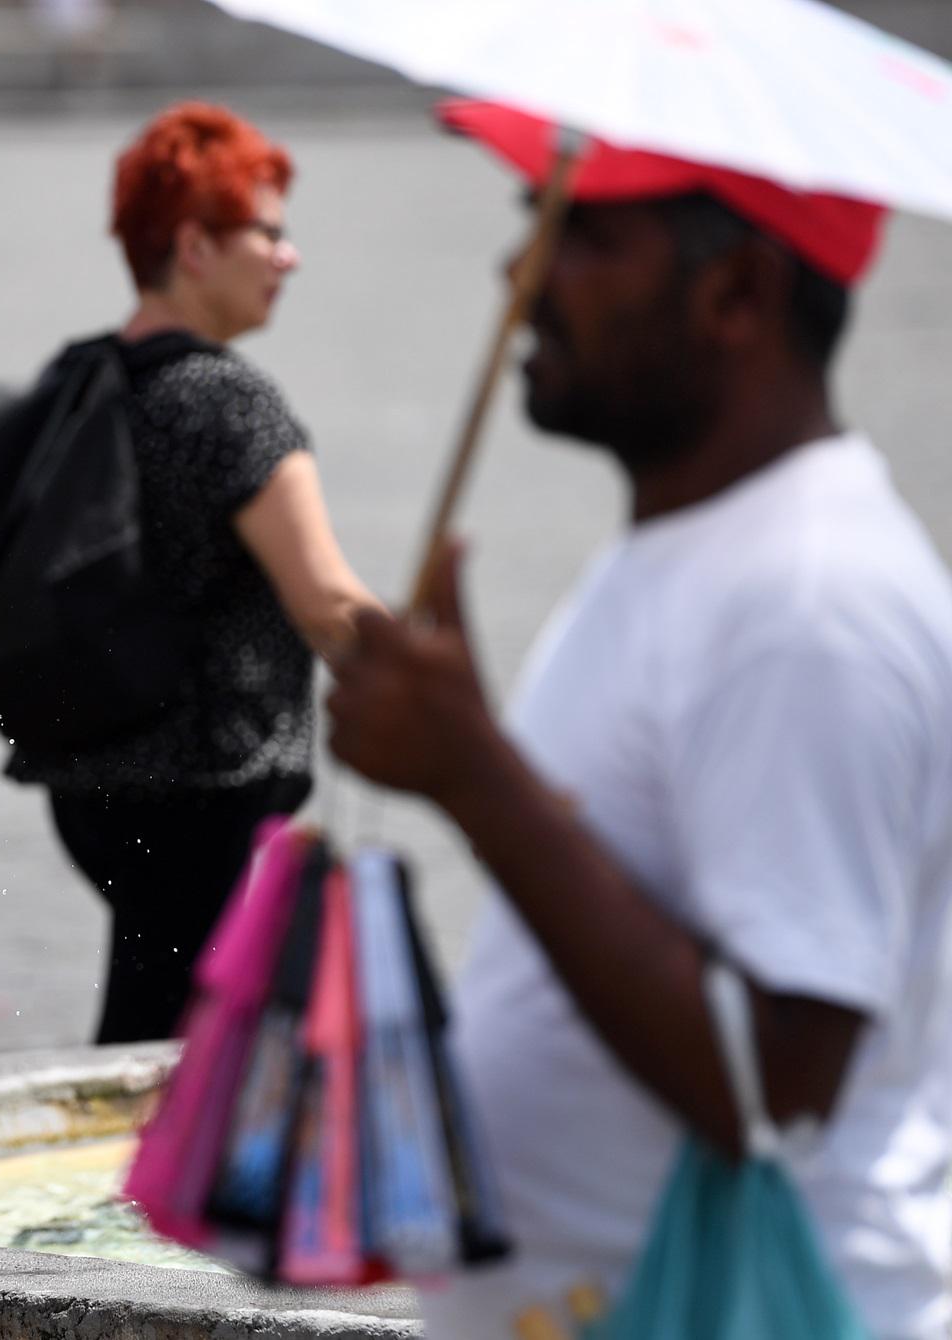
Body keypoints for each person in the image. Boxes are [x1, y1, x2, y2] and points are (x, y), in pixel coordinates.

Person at [327, 101, 952, 1337]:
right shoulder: (690, 550)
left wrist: (475, 778)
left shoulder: (806, 597)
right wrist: (478, 750)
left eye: (582, 235)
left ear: (734, 294)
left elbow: (773, 1086)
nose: (519, 270)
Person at [0, 103, 378, 1045]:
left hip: (97, 799)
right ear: (195, 246)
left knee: (162, 1035)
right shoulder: (229, 401)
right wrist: (459, 711)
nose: (290, 257)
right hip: (213, 801)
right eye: (268, 233)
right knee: (196, 1073)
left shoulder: (71, 386)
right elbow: (327, 603)